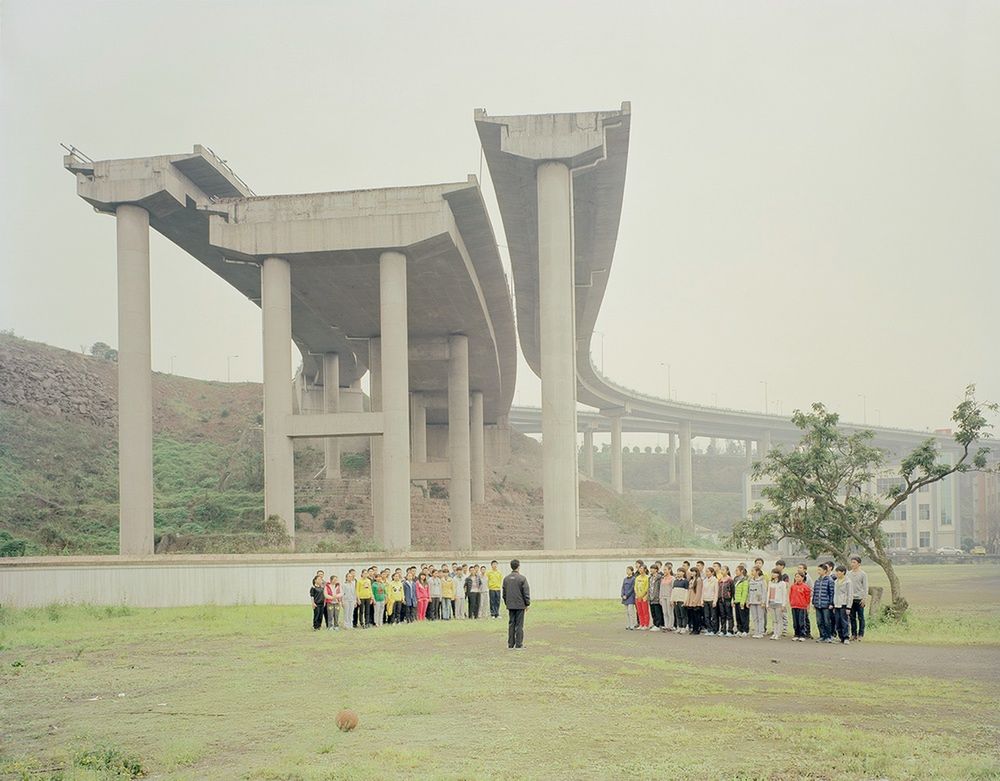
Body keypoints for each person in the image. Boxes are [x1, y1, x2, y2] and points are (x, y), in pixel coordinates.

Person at [502, 558, 530, 649]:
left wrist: (507, 603)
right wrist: (527, 603)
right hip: (520, 605)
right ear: (518, 566)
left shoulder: (506, 579)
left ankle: (510, 644)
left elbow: (504, 593)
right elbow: (526, 592)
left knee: (511, 624)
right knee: (519, 625)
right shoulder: (522, 578)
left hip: (510, 605)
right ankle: (519, 644)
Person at [811, 563, 835, 643]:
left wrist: (831, 603)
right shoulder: (817, 581)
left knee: (827, 621)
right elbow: (815, 592)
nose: (818, 571)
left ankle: (828, 636)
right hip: (818, 604)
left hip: (826, 605)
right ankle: (822, 636)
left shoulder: (830, 581)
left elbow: (831, 593)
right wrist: (814, 602)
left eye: (820, 570)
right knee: (819, 621)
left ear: (825, 571)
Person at [847, 556, 868, 641]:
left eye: (854, 562)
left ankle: (861, 634)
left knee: (861, 617)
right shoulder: (848, 573)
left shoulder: (863, 574)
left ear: (859, 564)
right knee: (852, 617)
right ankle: (853, 634)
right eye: (852, 562)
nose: (852, 564)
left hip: (859, 598)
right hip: (851, 598)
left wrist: (864, 598)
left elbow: (865, 587)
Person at [832, 564, 854, 644]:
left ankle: (846, 637)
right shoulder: (836, 581)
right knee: (837, 622)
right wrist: (834, 604)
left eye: (838, 572)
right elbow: (835, 594)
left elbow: (850, 594)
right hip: (837, 604)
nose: (837, 573)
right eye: (836, 572)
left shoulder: (848, 582)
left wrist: (848, 607)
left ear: (843, 572)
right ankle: (840, 637)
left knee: (844, 621)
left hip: (844, 604)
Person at [789, 571, 812, 641]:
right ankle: (796, 634)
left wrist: (807, 605)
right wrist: (791, 602)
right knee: (795, 621)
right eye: (796, 577)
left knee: (801, 621)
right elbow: (790, 595)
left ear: (802, 578)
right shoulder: (793, 586)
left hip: (802, 606)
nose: (796, 578)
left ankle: (802, 634)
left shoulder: (805, 587)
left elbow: (807, 597)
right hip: (794, 606)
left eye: (798, 577)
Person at [766, 568, 788, 641]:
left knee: (779, 619)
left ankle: (778, 634)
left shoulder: (782, 583)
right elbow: (768, 593)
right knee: (774, 619)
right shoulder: (770, 582)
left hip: (779, 603)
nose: (773, 574)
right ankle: (774, 633)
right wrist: (767, 603)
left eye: (774, 573)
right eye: (772, 573)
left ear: (778, 574)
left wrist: (783, 605)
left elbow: (784, 594)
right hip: (771, 602)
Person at [747, 566, 767, 638]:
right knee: (754, 617)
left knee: (760, 617)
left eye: (753, 571)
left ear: (757, 572)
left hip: (759, 602)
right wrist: (748, 601)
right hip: (752, 601)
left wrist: (763, 602)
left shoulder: (762, 581)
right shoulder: (751, 580)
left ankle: (760, 632)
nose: (751, 572)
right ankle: (756, 631)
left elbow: (764, 592)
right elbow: (749, 592)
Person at [685, 566, 703, 635]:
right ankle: (693, 629)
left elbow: (699, 592)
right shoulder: (691, 580)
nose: (691, 573)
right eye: (691, 571)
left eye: (693, 571)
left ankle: (697, 629)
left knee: (696, 615)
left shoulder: (698, 580)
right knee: (692, 615)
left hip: (695, 600)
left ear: (696, 572)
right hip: (690, 599)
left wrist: (695, 600)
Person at [717, 565, 735, 637]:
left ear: (727, 571)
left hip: (728, 599)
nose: (722, 571)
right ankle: (723, 630)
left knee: (729, 615)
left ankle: (730, 630)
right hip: (721, 599)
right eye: (721, 570)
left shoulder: (730, 580)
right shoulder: (720, 580)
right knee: (722, 615)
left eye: (723, 570)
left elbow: (733, 591)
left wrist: (733, 599)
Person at [702, 566, 719, 636]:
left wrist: (715, 601)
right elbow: (703, 591)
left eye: (708, 571)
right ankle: (709, 629)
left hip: (712, 600)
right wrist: (701, 600)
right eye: (706, 571)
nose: (707, 573)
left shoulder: (715, 580)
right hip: (705, 599)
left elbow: (716, 591)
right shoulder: (704, 580)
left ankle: (714, 630)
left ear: (712, 573)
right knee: (706, 616)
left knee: (713, 616)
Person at [671, 568, 689, 633]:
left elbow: (686, 592)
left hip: (682, 600)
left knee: (683, 614)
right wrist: (672, 599)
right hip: (676, 600)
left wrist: (685, 600)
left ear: (683, 573)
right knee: (677, 614)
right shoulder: (675, 581)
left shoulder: (685, 581)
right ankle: (679, 626)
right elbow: (673, 591)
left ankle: (684, 627)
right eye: (677, 571)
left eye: (680, 572)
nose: (678, 573)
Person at [634, 564, 651, 630]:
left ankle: (646, 624)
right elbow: (635, 587)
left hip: (644, 597)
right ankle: (641, 624)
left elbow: (647, 587)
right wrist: (637, 595)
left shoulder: (647, 577)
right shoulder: (637, 578)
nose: (640, 570)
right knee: (639, 611)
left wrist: (643, 595)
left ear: (645, 570)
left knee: (645, 611)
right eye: (639, 568)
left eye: (641, 568)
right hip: (637, 597)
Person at [621, 566, 637, 630]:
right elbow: (623, 588)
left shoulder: (633, 579)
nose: (627, 571)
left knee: (631, 611)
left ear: (632, 571)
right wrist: (622, 595)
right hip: (625, 597)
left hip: (630, 597)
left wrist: (627, 595)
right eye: (626, 570)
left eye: (628, 570)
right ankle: (628, 624)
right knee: (626, 612)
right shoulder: (625, 579)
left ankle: (632, 625)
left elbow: (632, 588)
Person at [660, 564, 675, 631]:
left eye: (665, 569)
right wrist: (660, 597)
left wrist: (672, 599)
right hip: (663, 596)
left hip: (669, 597)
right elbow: (661, 589)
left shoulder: (672, 578)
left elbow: (673, 589)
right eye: (663, 570)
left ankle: (670, 626)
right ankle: (666, 625)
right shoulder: (663, 578)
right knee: (665, 612)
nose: (664, 571)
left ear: (670, 570)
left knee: (670, 612)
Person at [648, 564, 663, 631]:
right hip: (651, 598)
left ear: (656, 570)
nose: (651, 570)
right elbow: (649, 588)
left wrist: (659, 597)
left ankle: (658, 625)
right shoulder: (650, 578)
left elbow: (660, 588)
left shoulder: (659, 578)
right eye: (651, 568)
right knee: (653, 612)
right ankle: (654, 624)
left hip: (656, 598)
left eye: (653, 568)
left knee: (658, 612)